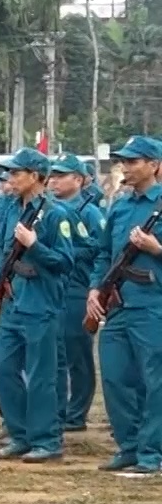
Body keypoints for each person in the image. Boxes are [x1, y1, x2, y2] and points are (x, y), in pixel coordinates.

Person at [0, 148, 74, 462]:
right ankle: (19, 434)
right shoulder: (10, 209)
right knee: (5, 369)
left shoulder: (55, 214)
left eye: (16, 172)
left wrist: (35, 246)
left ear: (36, 176)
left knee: (41, 374)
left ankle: (46, 440)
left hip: (41, 302)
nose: (10, 178)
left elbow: (65, 262)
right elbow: (3, 251)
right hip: (12, 301)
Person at [89, 135, 162, 474]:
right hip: (118, 305)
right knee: (116, 378)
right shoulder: (119, 205)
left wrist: (155, 248)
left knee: (154, 381)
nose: (126, 168)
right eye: (123, 161)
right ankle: (129, 445)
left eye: (133, 161)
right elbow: (104, 252)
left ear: (154, 165)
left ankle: (152, 452)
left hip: (153, 306)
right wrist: (94, 288)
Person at [49, 154, 105, 432]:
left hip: (77, 287)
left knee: (77, 351)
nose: (54, 180)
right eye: (53, 175)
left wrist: (65, 248)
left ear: (79, 180)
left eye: (62, 175)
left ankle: (77, 412)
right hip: (54, 287)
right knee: (58, 351)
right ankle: (60, 409)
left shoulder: (90, 211)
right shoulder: (50, 208)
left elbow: (99, 247)